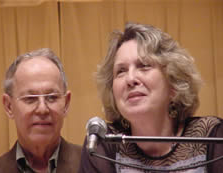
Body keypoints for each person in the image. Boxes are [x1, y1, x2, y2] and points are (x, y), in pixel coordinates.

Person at [78, 22, 223, 173]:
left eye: (144, 65)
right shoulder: (104, 142)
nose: (130, 79)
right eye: (121, 71)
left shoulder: (211, 136)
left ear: (173, 82)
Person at [0, 48, 81, 173]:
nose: (42, 109)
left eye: (52, 97)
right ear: (9, 106)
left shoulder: (94, 165)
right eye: (30, 99)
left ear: (66, 103)